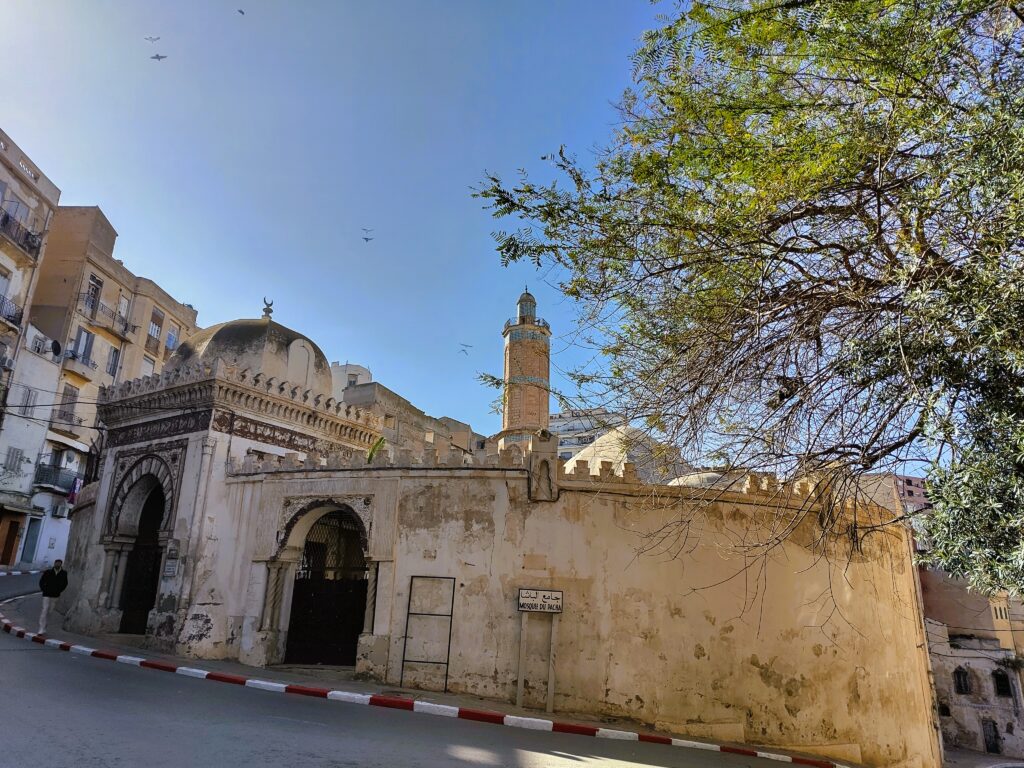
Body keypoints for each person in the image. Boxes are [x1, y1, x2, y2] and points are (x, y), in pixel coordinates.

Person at [38, 559, 68, 635]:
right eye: (56, 563)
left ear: (61, 564)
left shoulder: (64, 573)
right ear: (54, 564)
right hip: (46, 594)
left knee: (50, 612)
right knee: (45, 609)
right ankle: (41, 627)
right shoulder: (48, 572)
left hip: (55, 595)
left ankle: (45, 627)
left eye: (59, 563)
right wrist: (43, 589)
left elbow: (65, 583)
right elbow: (42, 581)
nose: (57, 564)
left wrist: (59, 590)